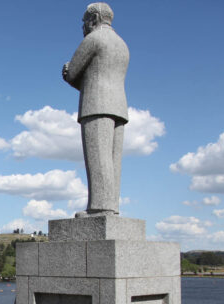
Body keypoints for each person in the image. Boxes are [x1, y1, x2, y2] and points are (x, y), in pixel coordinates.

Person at [62, 2, 129, 217]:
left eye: (84, 21)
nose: (83, 26)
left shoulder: (93, 39)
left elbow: (73, 73)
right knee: (112, 161)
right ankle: (111, 208)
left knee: (98, 159)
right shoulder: (122, 45)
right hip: (119, 107)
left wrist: (66, 73)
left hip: (96, 104)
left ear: (94, 19)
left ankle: (99, 207)